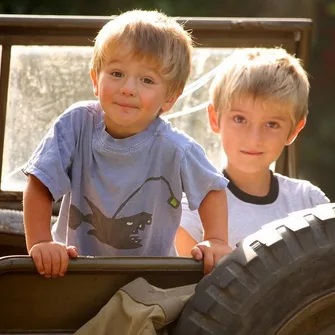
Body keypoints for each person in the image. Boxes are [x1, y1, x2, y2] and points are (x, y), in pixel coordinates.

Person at [22, 9, 231, 278]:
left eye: (146, 80)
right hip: (72, 271)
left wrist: (216, 240)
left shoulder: (176, 149)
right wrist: (41, 242)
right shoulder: (76, 125)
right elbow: (40, 182)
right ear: (96, 80)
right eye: (117, 73)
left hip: (150, 278)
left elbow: (212, 189)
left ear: (169, 98)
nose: (128, 88)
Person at [176, 47, 330, 256]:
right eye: (240, 119)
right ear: (214, 118)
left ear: (293, 131)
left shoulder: (309, 201)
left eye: (272, 124)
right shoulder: (194, 206)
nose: (254, 139)